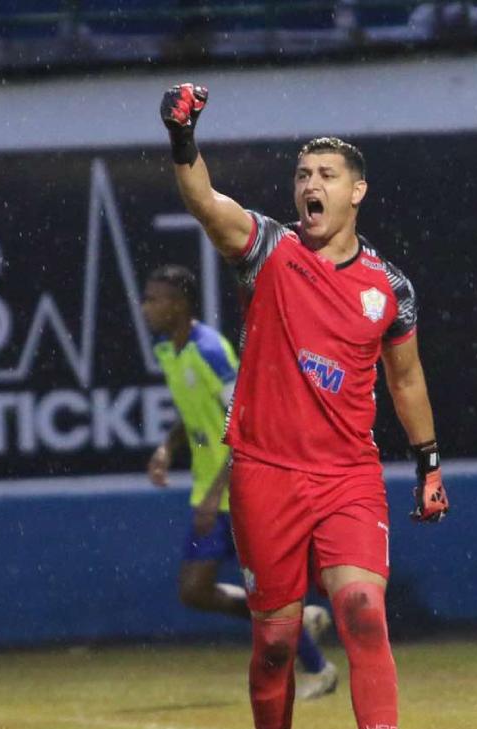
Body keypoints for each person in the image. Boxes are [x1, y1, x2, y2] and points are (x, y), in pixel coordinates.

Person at [158, 84, 450, 729]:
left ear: (357, 192)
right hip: (264, 473)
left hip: (348, 475)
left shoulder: (390, 290)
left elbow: (406, 378)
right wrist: (183, 137)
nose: (309, 186)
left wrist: (428, 463)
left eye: (324, 175)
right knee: (276, 643)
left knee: (360, 608)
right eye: (301, 175)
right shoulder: (269, 250)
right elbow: (204, 202)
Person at [140, 264, 338, 701]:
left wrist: (216, 493)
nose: (146, 306)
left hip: (240, 490)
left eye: (154, 298)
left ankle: (319, 670)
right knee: (194, 591)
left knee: (262, 592)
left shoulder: (211, 351)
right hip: (211, 491)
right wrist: (168, 448)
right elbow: (194, 412)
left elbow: (246, 421)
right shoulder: (165, 350)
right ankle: (300, 623)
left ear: (179, 304)